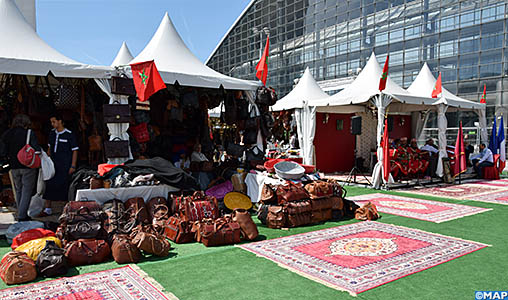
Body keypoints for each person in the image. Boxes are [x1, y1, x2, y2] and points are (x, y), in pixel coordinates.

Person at [0, 114, 41, 221]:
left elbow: (3, 151)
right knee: (27, 190)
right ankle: (22, 215)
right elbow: (37, 150)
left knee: (18, 190)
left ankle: (21, 212)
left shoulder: (7, 134)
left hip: (13, 166)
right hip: (27, 166)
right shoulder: (29, 133)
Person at [41, 114, 79, 216]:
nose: (52, 124)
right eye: (51, 122)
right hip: (53, 165)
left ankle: (65, 210)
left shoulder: (69, 134)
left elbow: (75, 151)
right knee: (49, 185)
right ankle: (47, 209)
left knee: (64, 186)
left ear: (60, 121)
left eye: (54, 122)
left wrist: (73, 165)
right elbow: (49, 149)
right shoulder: (52, 134)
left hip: (65, 164)